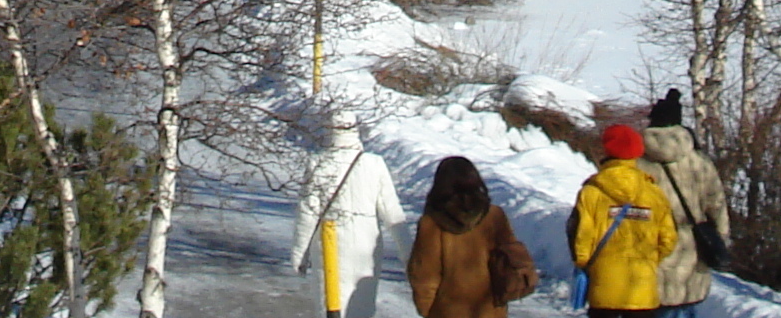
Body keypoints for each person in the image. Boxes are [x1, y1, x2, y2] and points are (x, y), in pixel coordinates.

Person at [291, 107, 407, 315]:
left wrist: (300, 254)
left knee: (330, 306)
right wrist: (408, 255)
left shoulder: (318, 163)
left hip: (330, 244)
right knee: (361, 306)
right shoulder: (375, 164)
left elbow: (308, 213)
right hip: (367, 244)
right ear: (355, 131)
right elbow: (393, 213)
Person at [563, 121, 678, 314]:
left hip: (604, 287)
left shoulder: (592, 191)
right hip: (642, 289)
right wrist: (649, 259)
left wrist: (586, 264)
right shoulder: (654, 193)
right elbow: (668, 239)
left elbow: (581, 236)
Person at [405, 152, 537, 318]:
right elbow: (509, 261)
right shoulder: (495, 216)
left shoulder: (431, 223)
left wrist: (427, 310)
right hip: (490, 310)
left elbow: (424, 276)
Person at [635, 90, 731, 315]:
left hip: (650, 250)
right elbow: (717, 205)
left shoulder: (636, 163)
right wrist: (720, 238)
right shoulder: (700, 162)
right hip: (691, 253)